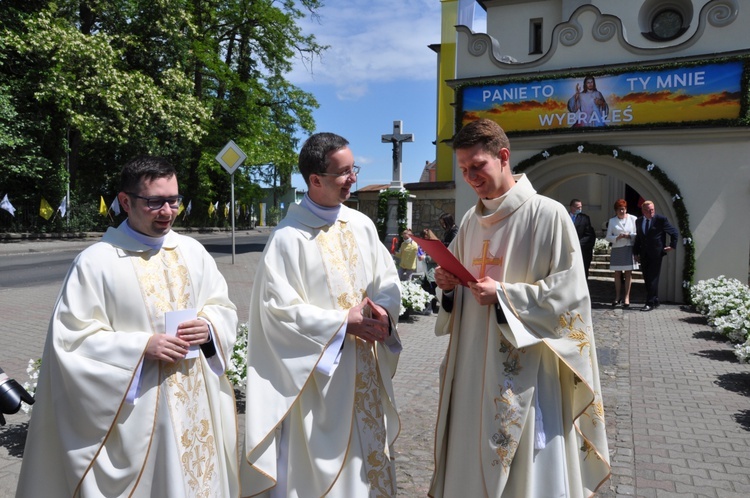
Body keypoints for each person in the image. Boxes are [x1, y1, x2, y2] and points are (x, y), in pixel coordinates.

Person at [17, 156, 240, 497]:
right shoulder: (96, 262)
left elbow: (221, 305)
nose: (167, 212)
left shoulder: (192, 252)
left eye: (173, 200)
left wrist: (210, 328)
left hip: (196, 409)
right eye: (154, 202)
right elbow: (70, 342)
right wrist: (140, 348)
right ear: (125, 201)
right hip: (139, 418)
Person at [430, 119, 610, 497]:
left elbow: (572, 294)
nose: (470, 177)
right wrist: (449, 288)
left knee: (525, 468)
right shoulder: (469, 221)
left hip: (525, 368)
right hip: (471, 367)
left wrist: (507, 295)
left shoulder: (548, 214)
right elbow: (463, 290)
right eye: (463, 170)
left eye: (477, 166)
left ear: (503, 156)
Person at [241, 132, 402, 497]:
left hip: (365, 371)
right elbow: (277, 314)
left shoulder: (361, 225)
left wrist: (383, 312)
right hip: (319, 382)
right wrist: (343, 322)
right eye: (344, 172)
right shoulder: (288, 239)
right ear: (315, 180)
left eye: (353, 169)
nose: (353, 179)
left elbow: (387, 281)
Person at [633, 200, 678, 312]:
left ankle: (649, 303)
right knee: (647, 278)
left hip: (656, 253)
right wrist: (635, 252)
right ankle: (655, 299)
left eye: (652, 210)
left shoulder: (660, 220)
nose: (651, 212)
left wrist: (672, 246)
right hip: (644, 253)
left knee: (653, 278)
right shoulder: (638, 221)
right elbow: (638, 238)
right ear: (643, 211)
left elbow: (674, 232)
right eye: (648, 210)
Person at [605, 199, 639, 307]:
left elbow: (638, 233)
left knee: (628, 273)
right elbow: (608, 237)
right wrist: (617, 237)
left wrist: (629, 236)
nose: (622, 212)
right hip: (617, 248)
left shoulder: (633, 219)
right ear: (616, 211)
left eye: (623, 209)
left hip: (629, 247)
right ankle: (617, 296)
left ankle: (627, 297)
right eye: (620, 210)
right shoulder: (612, 221)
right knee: (617, 273)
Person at [569, 198, 597, 279]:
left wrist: (577, 244)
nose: (580, 209)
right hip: (567, 250)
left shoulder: (584, 218)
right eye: (578, 207)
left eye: (581, 207)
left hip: (581, 249)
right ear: (572, 207)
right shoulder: (565, 217)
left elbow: (589, 234)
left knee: (583, 271)